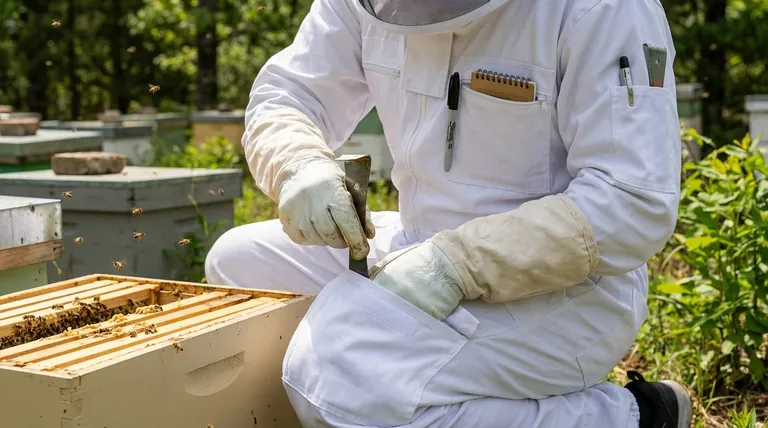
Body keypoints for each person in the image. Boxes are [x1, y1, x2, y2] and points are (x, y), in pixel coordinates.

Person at [205, 0, 693, 426]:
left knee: (337, 377)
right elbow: (291, 93)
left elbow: (632, 201)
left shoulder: (601, 9)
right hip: (418, 245)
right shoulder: (361, 3)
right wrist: (298, 164)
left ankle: (627, 419)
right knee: (239, 264)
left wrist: (457, 265)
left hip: (563, 291)